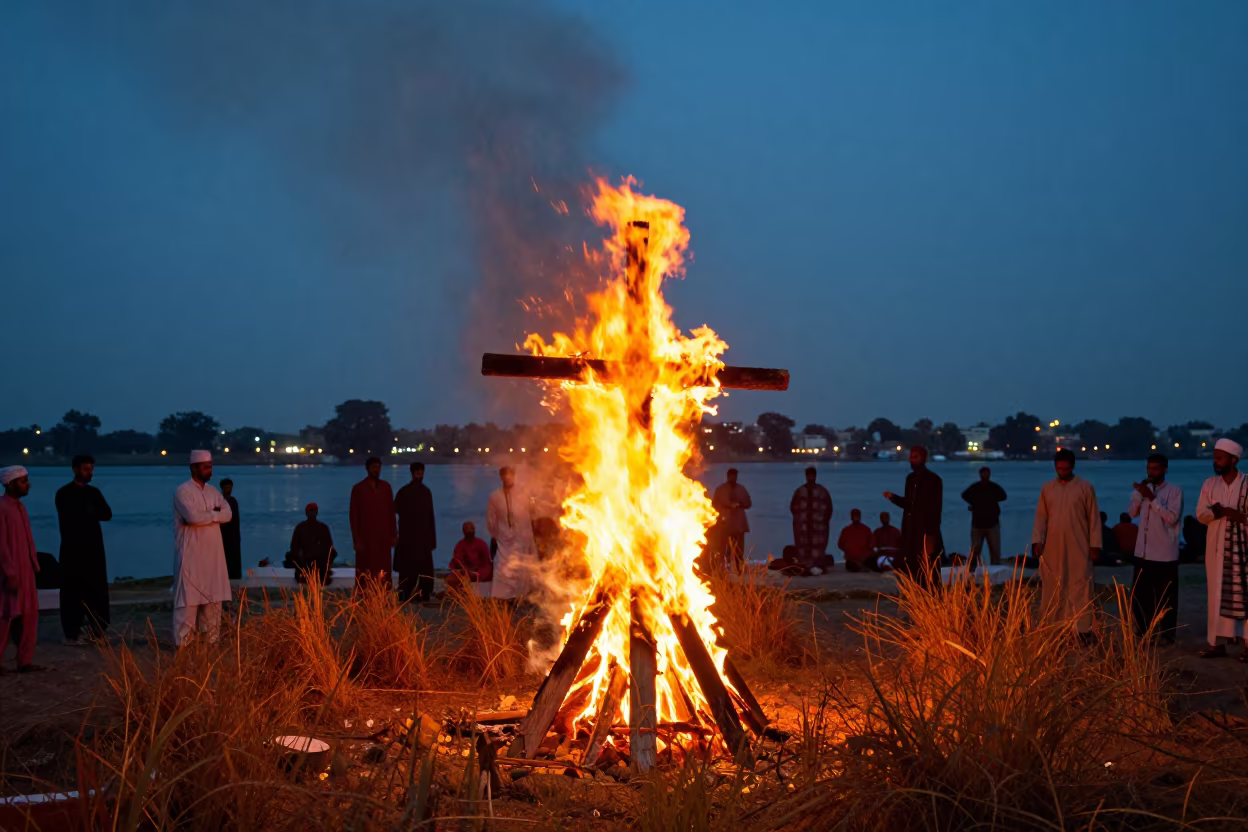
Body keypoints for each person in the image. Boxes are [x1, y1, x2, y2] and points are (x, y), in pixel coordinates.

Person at [1032, 449, 1102, 641]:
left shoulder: (1085, 487)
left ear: (1072, 466)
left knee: (1080, 583)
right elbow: (1041, 517)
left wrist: (1095, 544)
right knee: (1053, 585)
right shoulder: (1047, 488)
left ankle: (1083, 628)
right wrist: (1037, 540)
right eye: (1059, 468)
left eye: (1065, 468)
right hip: (1052, 546)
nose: (1062, 471)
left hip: (1079, 544)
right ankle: (1053, 626)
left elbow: (1094, 518)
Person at [172, 451, 233, 646]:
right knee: (188, 600)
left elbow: (228, 513)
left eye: (210, 466)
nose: (210, 470)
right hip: (191, 554)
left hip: (214, 556)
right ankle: (183, 644)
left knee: (214, 600)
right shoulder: (183, 491)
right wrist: (214, 515)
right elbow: (193, 518)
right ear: (194, 468)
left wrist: (208, 515)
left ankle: (211, 641)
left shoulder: (213, 492)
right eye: (205, 466)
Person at [1195, 438, 1248, 660]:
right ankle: (1216, 644)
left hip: (1243, 550)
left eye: (1220, 458)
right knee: (1216, 594)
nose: (1215, 462)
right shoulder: (1210, 484)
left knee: (1244, 595)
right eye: (1215, 458)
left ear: (1233, 460)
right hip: (1217, 550)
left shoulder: (1247, 484)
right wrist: (1217, 512)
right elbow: (1200, 514)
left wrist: (1238, 516)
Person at [55, 455, 113, 646]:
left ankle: (96, 629)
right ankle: (72, 632)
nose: (90, 473)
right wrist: (88, 512)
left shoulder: (94, 492)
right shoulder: (63, 493)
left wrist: (88, 512)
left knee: (97, 590)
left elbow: (107, 513)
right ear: (75, 469)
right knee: (73, 591)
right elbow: (71, 516)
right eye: (86, 469)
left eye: (91, 469)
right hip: (72, 550)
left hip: (94, 550)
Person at [1127, 453, 1182, 643]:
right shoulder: (1144, 491)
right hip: (1143, 552)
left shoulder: (1174, 491)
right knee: (1140, 596)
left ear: (1165, 469)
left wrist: (1153, 499)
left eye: (1155, 469)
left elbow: (1171, 518)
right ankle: (1143, 631)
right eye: (1149, 469)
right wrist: (1139, 496)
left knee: (1166, 598)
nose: (1151, 472)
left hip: (1165, 553)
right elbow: (1132, 513)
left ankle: (1167, 635)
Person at [1, 466, 43, 672]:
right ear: (10, 484)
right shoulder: (2, 508)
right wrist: (9, 572)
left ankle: (24, 661)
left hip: (26, 570)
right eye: (23, 481)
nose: (28, 485)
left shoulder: (20, 508)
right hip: (9, 572)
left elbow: (27, 539)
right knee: (6, 615)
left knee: (29, 616)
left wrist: (34, 564)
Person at [883, 446, 944, 589]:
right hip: (910, 530)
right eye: (911, 457)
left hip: (925, 530)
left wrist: (930, 535)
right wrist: (894, 498)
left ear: (923, 458)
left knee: (928, 568)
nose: (912, 460)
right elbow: (909, 503)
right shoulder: (910, 479)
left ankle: (930, 597)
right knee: (911, 566)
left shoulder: (933, 480)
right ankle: (914, 597)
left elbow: (935, 508)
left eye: (916, 457)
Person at [487, 466, 537, 601]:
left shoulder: (523, 493)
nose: (507, 477)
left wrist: (528, 534)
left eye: (510, 475)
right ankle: (501, 596)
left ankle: (521, 596)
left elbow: (530, 514)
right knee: (502, 565)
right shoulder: (495, 496)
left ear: (514, 476)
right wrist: (494, 534)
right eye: (504, 475)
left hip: (521, 536)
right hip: (503, 537)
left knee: (521, 565)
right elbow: (491, 517)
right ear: (501, 477)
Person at [349, 457, 396, 592]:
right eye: (374, 467)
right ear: (367, 468)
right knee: (365, 567)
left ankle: (384, 593)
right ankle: (364, 593)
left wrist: (393, 534)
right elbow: (354, 516)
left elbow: (391, 513)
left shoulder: (386, 488)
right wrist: (356, 539)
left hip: (383, 536)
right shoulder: (358, 489)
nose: (376, 470)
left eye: (378, 467)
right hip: (366, 536)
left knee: (384, 567)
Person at [394, 462, 437, 603]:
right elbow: (395, 511)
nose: (420, 474)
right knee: (409, 569)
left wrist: (432, 539)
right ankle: (405, 594)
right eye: (417, 472)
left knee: (422, 569)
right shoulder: (405, 492)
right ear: (412, 473)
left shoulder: (426, 492)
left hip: (421, 537)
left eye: (421, 471)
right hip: (409, 537)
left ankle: (422, 594)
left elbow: (430, 516)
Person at [961, 467, 1006, 569]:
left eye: (986, 474)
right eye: (983, 474)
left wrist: (990, 501)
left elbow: (1003, 496)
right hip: (978, 524)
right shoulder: (976, 487)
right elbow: (964, 495)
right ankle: (972, 571)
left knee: (995, 550)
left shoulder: (993, 487)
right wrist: (974, 502)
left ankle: (996, 571)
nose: (985, 476)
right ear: (980, 474)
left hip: (992, 523)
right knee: (975, 550)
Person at [790, 467, 833, 570]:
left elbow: (828, 509)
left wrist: (823, 521)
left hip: (818, 527)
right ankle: (805, 564)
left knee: (817, 548)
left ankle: (816, 563)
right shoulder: (800, 491)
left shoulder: (822, 492)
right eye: (809, 475)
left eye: (812, 475)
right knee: (802, 546)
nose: (810, 477)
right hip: (803, 528)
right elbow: (793, 508)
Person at [712, 468, 753, 570]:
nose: (733, 478)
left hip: (738, 524)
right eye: (731, 476)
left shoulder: (741, 489)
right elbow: (714, 504)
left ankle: (738, 568)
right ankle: (724, 568)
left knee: (739, 549)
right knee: (724, 548)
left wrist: (739, 504)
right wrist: (727, 506)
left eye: (735, 476)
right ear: (728, 476)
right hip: (725, 523)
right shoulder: (720, 489)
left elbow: (748, 504)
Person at [288, 502, 335, 584]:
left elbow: (329, 547)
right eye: (311, 511)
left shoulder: (322, 528)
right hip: (304, 560)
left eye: (313, 511)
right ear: (307, 513)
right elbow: (294, 547)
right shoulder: (301, 528)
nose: (312, 513)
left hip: (319, 561)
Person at [445, 521, 493, 593]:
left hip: (479, 572)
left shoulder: (481, 544)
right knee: (451, 579)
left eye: (471, 530)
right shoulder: (460, 545)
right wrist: (466, 570)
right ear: (464, 532)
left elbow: (487, 563)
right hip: (465, 572)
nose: (470, 532)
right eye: (467, 531)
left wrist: (477, 571)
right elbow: (456, 561)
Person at [219, 478, 241, 581]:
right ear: (222, 488)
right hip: (223, 534)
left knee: (234, 556)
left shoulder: (233, 501)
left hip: (233, 534)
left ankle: (234, 577)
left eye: (230, 487)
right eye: (226, 487)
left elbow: (235, 519)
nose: (229, 489)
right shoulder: (219, 501)